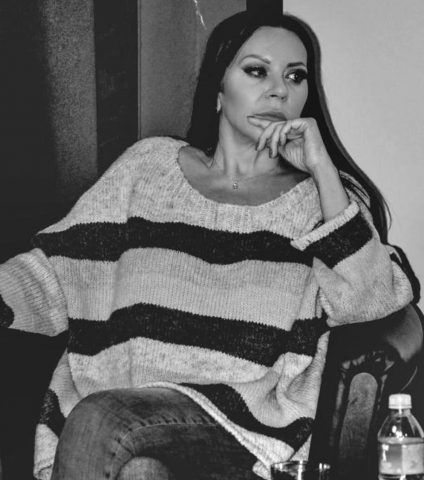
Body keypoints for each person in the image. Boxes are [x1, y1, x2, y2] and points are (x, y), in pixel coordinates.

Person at [0, 9, 418, 480]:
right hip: (125, 416)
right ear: (218, 89)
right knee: (139, 470)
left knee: (101, 418)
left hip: (240, 429)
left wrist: (322, 170)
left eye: (295, 76)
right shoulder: (147, 168)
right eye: (257, 71)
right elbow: (57, 271)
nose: (279, 90)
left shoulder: (321, 202)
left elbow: (371, 301)